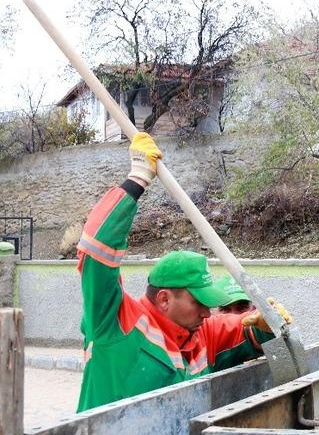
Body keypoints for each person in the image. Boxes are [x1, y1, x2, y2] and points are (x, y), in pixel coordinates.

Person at [76, 132, 292, 412]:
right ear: (164, 299)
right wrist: (138, 177)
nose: (207, 312)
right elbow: (95, 251)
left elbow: (241, 330)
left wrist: (264, 325)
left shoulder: (201, 335)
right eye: (198, 303)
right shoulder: (114, 321)